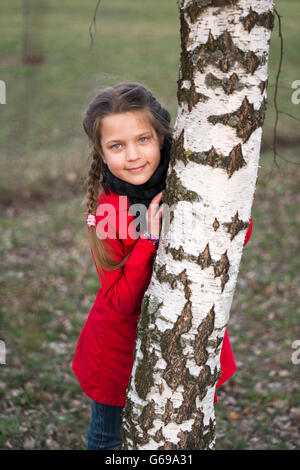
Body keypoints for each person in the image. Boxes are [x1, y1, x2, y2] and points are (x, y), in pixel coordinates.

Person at [71, 82, 253, 450]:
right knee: (109, 439)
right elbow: (121, 301)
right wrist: (148, 240)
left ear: (163, 139)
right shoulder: (108, 210)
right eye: (117, 146)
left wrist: (214, 198)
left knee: (185, 434)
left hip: (188, 342)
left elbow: (237, 237)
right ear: (101, 153)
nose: (134, 155)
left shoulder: (187, 184)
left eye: (143, 139)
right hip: (120, 355)